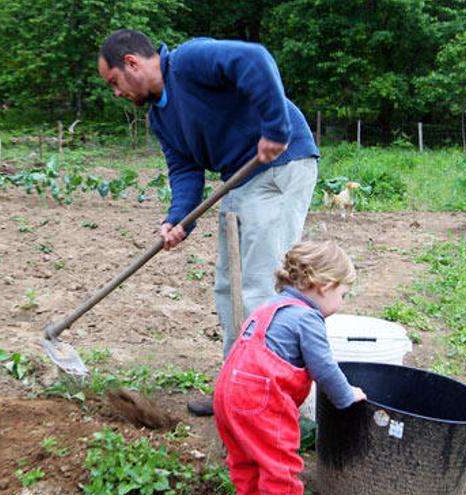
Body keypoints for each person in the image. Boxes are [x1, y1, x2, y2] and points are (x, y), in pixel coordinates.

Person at [98, 30, 320, 416]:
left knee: (258, 289)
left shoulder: (189, 61)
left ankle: (274, 405)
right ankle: (238, 389)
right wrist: (177, 219)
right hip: (240, 178)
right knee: (228, 287)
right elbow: (184, 170)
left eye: (114, 82)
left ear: (132, 63)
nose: (116, 92)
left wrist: (275, 127)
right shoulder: (160, 119)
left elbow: (255, 59)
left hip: (280, 166)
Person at [213, 241, 367, 495]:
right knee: (279, 469)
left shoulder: (270, 307)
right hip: (261, 401)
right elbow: (325, 368)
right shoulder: (307, 317)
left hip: (226, 394)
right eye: (343, 294)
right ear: (325, 286)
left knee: (245, 462)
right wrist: (347, 396)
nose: (341, 302)